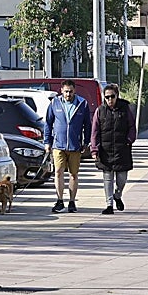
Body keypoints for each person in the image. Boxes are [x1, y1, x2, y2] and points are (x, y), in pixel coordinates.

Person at [43, 79, 92, 213]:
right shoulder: (55, 103)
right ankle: (59, 200)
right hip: (58, 145)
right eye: (66, 92)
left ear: (74, 91)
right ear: (61, 91)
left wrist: (86, 142)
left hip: (75, 146)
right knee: (58, 172)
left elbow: (87, 125)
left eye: (70, 92)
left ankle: (72, 201)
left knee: (73, 174)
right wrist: (47, 142)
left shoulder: (82, 104)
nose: (68, 94)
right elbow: (48, 123)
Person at [90, 83, 136, 215]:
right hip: (105, 150)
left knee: (122, 178)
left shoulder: (125, 109)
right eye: (107, 97)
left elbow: (132, 127)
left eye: (112, 96)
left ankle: (118, 195)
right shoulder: (100, 111)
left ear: (117, 96)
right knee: (107, 178)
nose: (109, 100)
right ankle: (109, 204)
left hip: (122, 149)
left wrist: (129, 140)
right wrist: (94, 149)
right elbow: (95, 131)